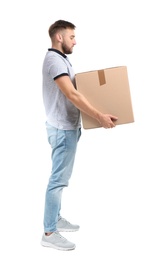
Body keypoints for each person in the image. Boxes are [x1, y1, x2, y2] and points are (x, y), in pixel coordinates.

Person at [41, 19, 118, 251]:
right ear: (59, 37)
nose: (76, 41)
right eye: (72, 37)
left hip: (68, 127)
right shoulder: (55, 61)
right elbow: (72, 95)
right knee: (58, 180)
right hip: (63, 130)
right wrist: (99, 116)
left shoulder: (62, 59)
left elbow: (77, 91)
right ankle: (49, 231)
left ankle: (55, 217)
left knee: (61, 179)